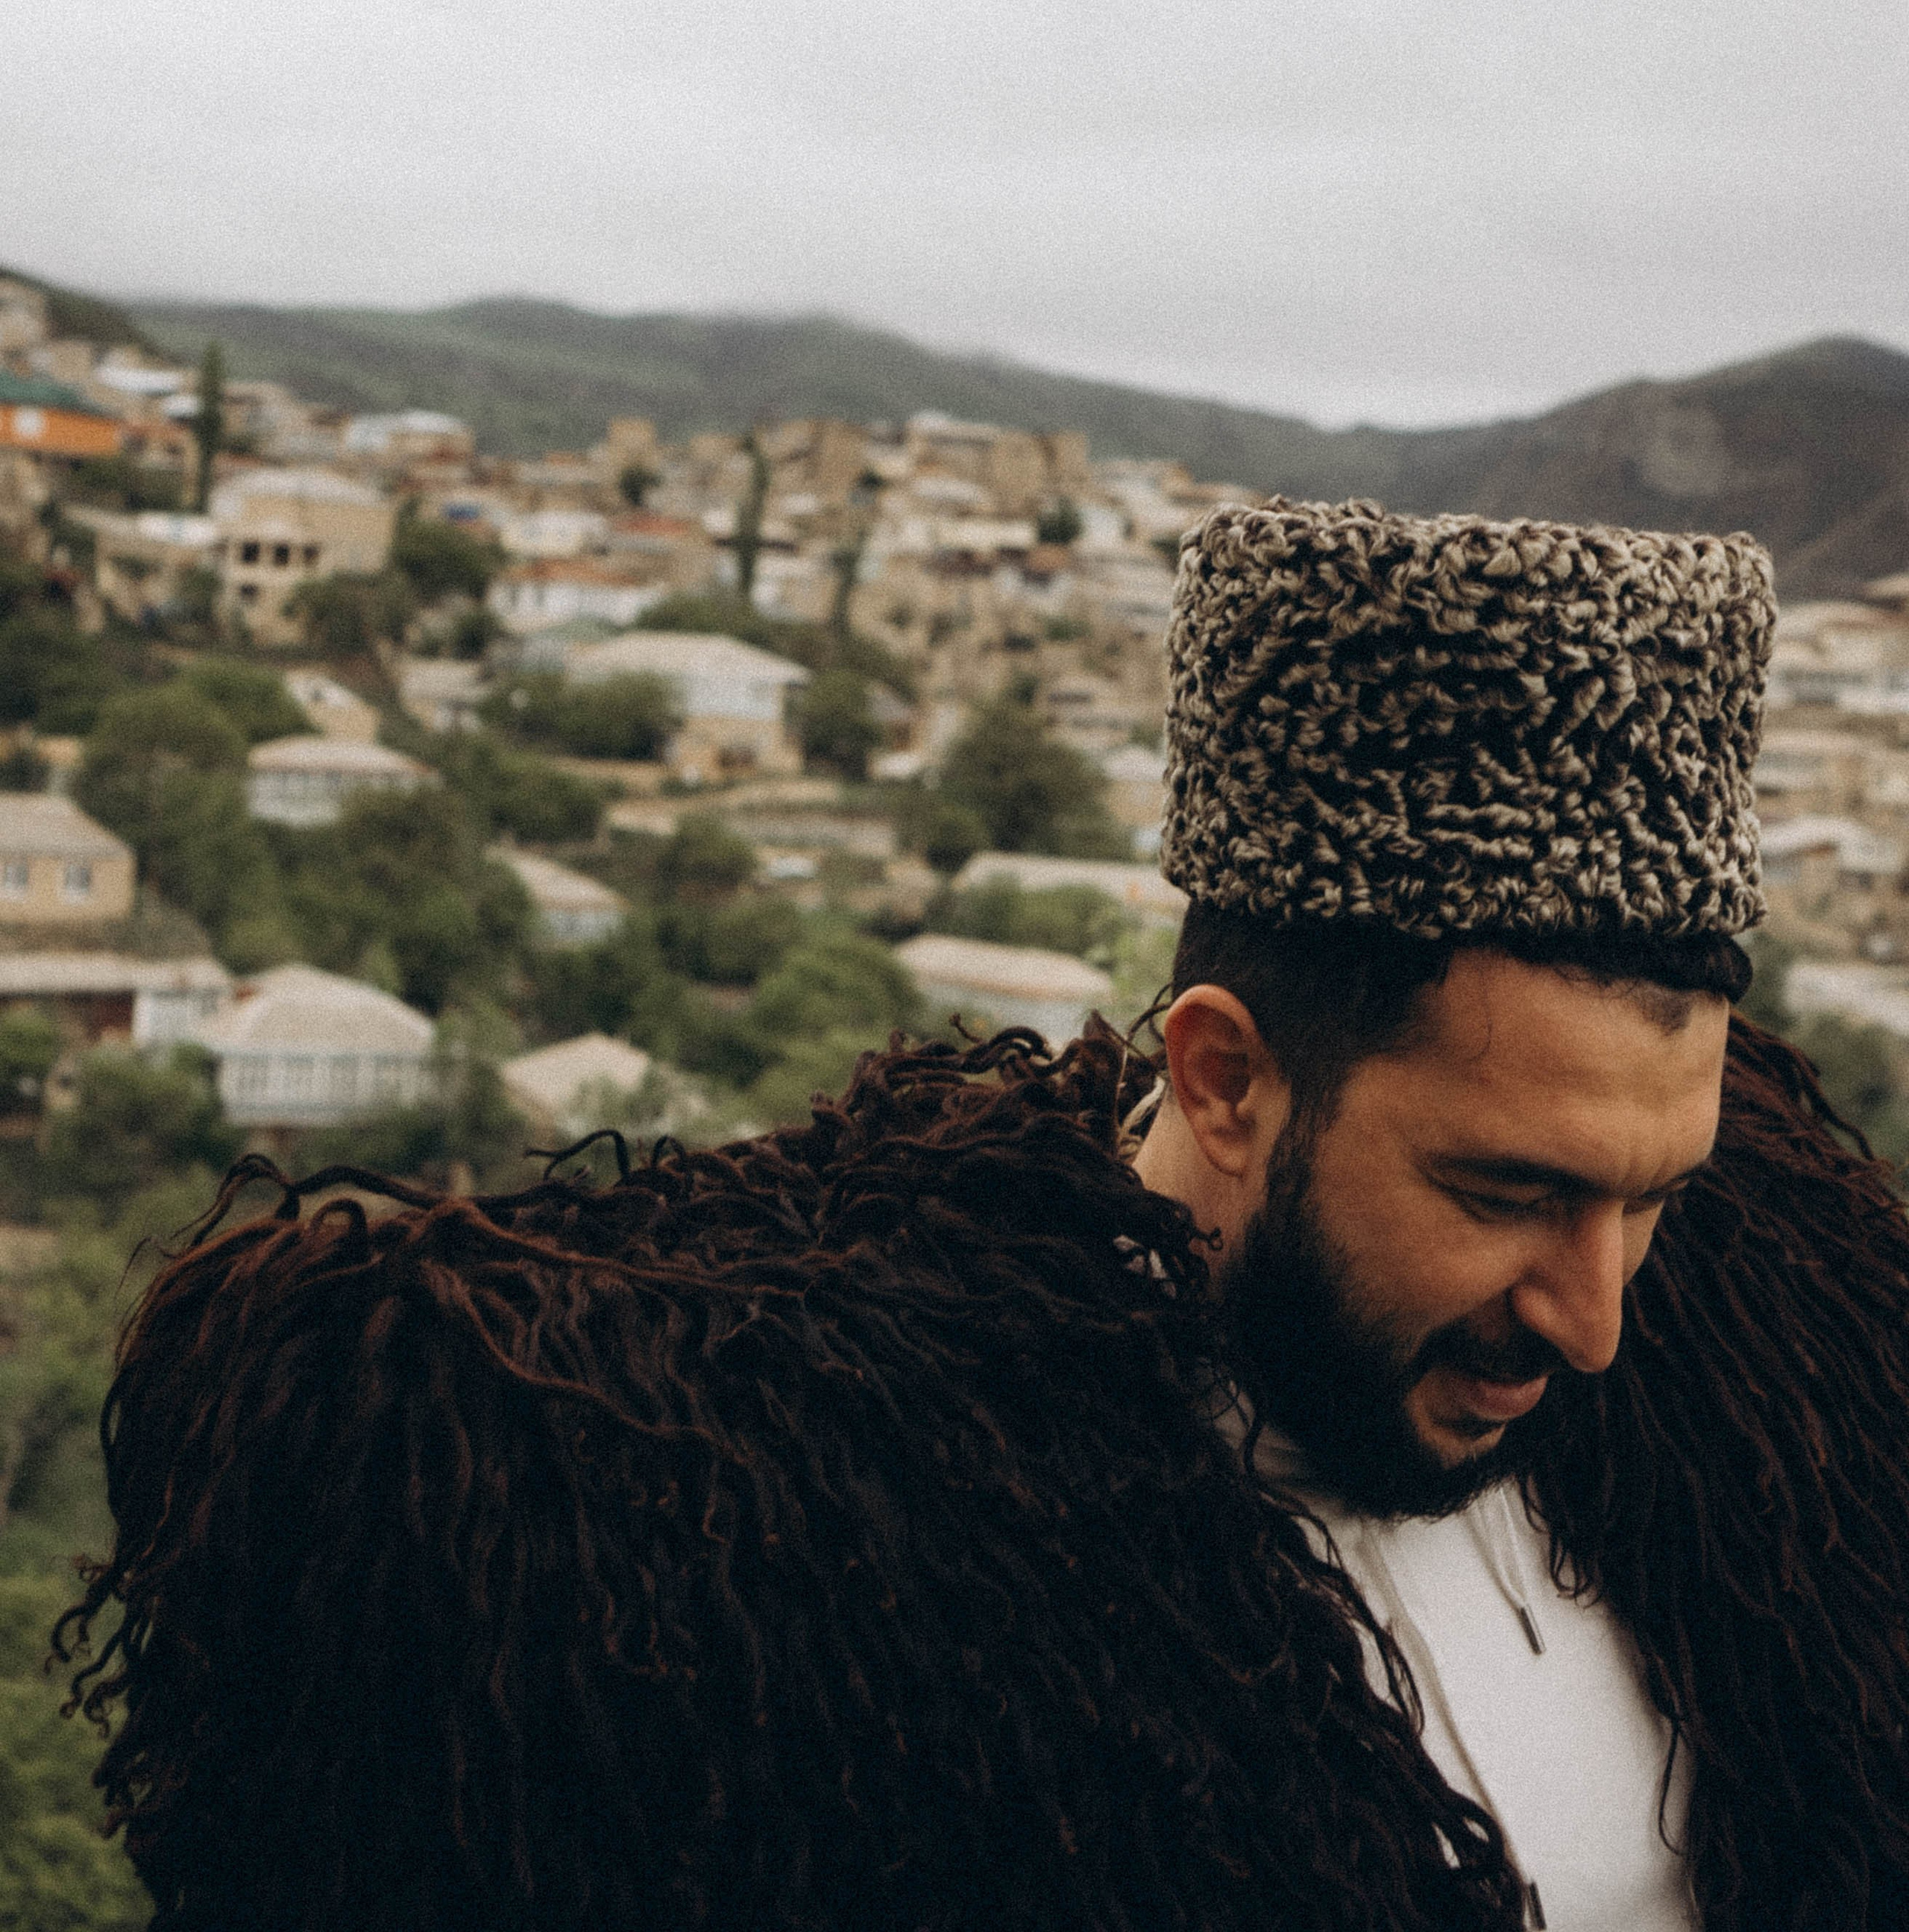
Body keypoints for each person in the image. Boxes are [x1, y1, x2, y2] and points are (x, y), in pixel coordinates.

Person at [63, 503, 1909, 1931]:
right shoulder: (799, 1572)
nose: (1594, 1318)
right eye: (1502, 1195)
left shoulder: (1763, 1423)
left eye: (1651, 1199)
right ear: (1222, 1079)